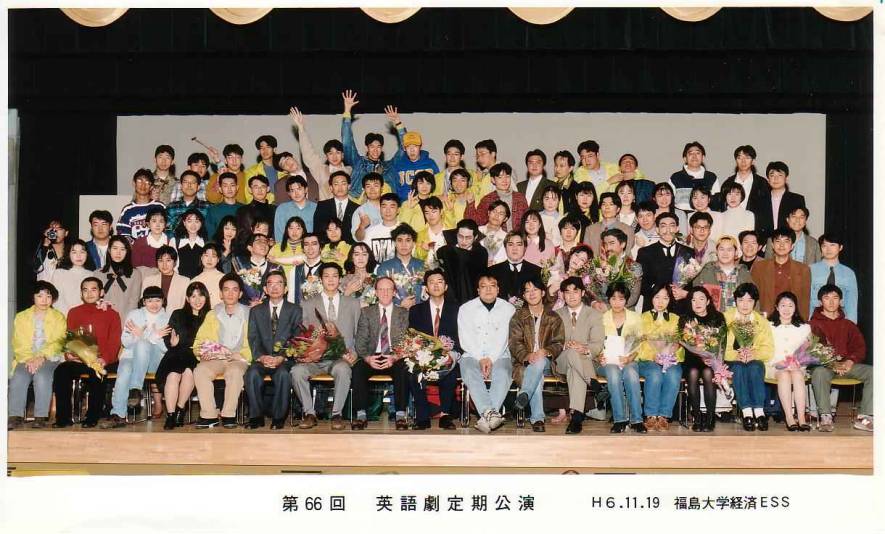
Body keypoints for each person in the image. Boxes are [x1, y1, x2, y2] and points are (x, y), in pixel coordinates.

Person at [292, 262, 360, 429]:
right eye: (326, 276)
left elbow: (359, 333)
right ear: (320, 279)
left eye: (335, 276)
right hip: (315, 359)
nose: (331, 280)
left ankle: (336, 414)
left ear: (340, 279)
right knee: (296, 371)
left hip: (341, 358)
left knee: (343, 370)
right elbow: (302, 334)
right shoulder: (307, 304)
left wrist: (354, 353)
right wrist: (306, 353)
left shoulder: (353, 303)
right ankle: (309, 413)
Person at [51, 277, 122, 428]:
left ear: (101, 292)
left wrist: (104, 359)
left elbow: (115, 342)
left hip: (104, 360)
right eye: (85, 290)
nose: (89, 293)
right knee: (61, 371)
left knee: (97, 372)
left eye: (93, 289)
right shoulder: (74, 312)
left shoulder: (112, 314)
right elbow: (71, 339)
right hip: (81, 359)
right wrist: (69, 354)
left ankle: (92, 416)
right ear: (81, 293)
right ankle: (63, 417)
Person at [101, 286, 171, 428]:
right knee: (124, 371)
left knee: (143, 344)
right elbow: (125, 342)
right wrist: (146, 336)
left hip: (154, 360)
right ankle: (118, 415)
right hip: (131, 356)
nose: (154, 304)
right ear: (143, 301)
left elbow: (166, 347)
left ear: (163, 301)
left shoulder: (168, 318)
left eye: (157, 300)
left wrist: (145, 337)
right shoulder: (134, 314)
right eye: (149, 301)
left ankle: (135, 388)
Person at [241, 271, 301, 429]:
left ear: (285, 288)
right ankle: (256, 416)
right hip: (262, 359)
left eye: (279, 283)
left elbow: (297, 339)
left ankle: (278, 417)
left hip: (284, 360)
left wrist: (282, 357)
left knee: (283, 375)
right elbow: (253, 337)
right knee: (252, 374)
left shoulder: (295, 310)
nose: (274, 287)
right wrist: (261, 357)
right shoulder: (256, 311)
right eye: (270, 284)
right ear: (265, 289)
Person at [809, 284, 873, 432]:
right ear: (820, 302)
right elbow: (812, 351)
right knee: (819, 372)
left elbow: (860, 347)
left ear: (841, 301)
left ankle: (865, 418)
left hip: (847, 365)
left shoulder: (848, 325)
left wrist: (850, 361)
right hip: (825, 367)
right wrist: (831, 364)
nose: (831, 302)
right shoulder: (812, 324)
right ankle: (826, 417)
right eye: (827, 298)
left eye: (835, 298)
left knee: (874, 372)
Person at [458, 275, 517, 433]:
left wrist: (490, 358)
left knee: (503, 372)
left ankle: (486, 418)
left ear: (498, 289)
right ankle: (491, 414)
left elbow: (504, 337)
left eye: (492, 286)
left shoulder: (509, 309)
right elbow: (465, 337)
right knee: (469, 371)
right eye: (484, 286)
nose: (488, 289)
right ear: (478, 290)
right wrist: (481, 358)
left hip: (500, 354)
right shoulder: (466, 309)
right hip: (472, 354)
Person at [191, 274, 252, 428]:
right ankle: (209, 415)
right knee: (200, 371)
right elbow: (199, 341)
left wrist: (243, 355)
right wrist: (202, 352)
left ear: (240, 294)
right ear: (220, 294)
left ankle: (228, 414)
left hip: (239, 357)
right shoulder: (212, 314)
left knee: (234, 372)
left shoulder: (250, 314)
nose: (230, 293)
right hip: (217, 357)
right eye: (226, 290)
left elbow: (257, 342)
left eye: (234, 290)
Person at [404, 269, 462, 430]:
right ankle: (422, 417)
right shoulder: (416, 310)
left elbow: (462, 337)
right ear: (426, 288)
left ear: (446, 286)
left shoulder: (457, 310)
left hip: (449, 355)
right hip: (424, 356)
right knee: (413, 372)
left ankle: (445, 415)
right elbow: (413, 338)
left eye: (440, 282)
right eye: (431, 282)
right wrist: (424, 354)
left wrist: (452, 351)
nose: (436, 285)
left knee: (450, 371)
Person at [352, 276, 410, 430]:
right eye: (381, 289)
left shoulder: (403, 313)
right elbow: (360, 341)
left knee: (404, 369)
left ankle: (400, 415)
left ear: (394, 292)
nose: (385, 292)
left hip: (394, 356)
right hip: (372, 356)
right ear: (376, 292)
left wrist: (395, 357)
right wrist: (367, 358)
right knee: (358, 369)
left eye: (389, 289)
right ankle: (361, 415)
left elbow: (407, 341)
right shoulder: (366, 312)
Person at [7, 281, 66, 430]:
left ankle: (41, 416)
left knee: (42, 375)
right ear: (33, 297)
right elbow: (18, 341)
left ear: (53, 299)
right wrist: (30, 358)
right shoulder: (21, 317)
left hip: (50, 357)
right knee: (19, 376)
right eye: (40, 296)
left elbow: (59, 341)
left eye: (48, 296)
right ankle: (15, 416)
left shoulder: (58, 317)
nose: (44, 300)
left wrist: (42, 356)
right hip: (26, 358)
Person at [510, 278, 565, 433]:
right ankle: (538, 419)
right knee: (536, 374)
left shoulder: (553, 317)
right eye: (527, 291)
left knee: (539, 362)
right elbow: (514, 343)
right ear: (523, 296)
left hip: (547, 362)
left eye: (535, 289)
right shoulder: (518, 317)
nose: (531, 293)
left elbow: (559, 342)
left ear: (542, 292)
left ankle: (524, 394)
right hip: (524, 363)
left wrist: (545, 351)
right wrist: (527, 355)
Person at [154, 281, 210, 429]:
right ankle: (171, 415)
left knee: (189, 373)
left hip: (197, 355)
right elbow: (169, 335)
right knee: (173, 375)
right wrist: (172, 343)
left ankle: (180, 408)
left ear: (206, 297)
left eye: (201, 296)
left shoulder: (211, 316)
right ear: (187, 299)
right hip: (177, 353)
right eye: (193, 296)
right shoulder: (178, 314)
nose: (197, 300)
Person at [552, 277, 604, 434]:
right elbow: (551, 342)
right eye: (567, 292)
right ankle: (594, 384)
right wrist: (564, 345)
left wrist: (584, 348)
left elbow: (597, 344)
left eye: (575, 291)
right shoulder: (556, 315)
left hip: (586, 361)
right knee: (571, 353)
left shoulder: (594, 314)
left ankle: (576, 417)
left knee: (575, 368)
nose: (571, 296)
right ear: (562, 295)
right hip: (561, 360)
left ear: (582, 293)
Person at [594, 283, 645, 433]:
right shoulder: (601, 318)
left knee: (631, 373)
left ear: (626, 300)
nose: (617, 302)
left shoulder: (635, 318)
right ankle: (619, 419)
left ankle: (637, 420)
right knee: (613, 373)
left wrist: (630, 358)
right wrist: (599, 356)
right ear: (608, 300)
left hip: (629, 360)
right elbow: (595, 343)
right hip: (607, 362)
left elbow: (640, 343)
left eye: (621, 299)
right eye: (613, 298)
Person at [724, 283, 774, 432]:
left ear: (755, 302)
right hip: (732, 360)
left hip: (754, 360)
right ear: (735, 301)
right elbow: (719, 347)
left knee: (755, 367)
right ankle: (746, 413)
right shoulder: (725, 318)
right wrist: (736, 355)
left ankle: (759, 412)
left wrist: (754, 354)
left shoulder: (761, 322)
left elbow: (768, 349)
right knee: (738, 368)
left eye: (749, 300)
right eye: (741, 300)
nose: (745, 305)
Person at [340, 90, 406, 197]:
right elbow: (347, 143)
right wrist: (347, 111)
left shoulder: (389, 166)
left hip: (384, 205)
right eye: (372, 146)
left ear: (382, 148)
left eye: (378, 147)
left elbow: (405, 147)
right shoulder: (358, 163)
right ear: (367, 148)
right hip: (360, 204)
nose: (375, 150)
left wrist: (398, 123)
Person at [679, 286, 727, 432]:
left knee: (708, 373)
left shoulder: (718, 318)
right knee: (693, 372)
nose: (697, 303)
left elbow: (721, 344)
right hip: (692, 357)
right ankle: (697, 416)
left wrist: (715, 360)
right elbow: (686, 343)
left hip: (711, 360)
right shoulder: (685, 319)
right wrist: (701, 355)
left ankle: (710, 417)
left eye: (701, 299)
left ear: (708, 301)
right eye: (693, 300)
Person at [637, 285, 684, 431]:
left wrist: (673, 351)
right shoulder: (642, 318)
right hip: (647, 359)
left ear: (670, 300)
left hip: (670, 359)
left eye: (665, 298)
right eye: (657, 297)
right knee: (655, 373)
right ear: (651, 298)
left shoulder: (676, 319)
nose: (660, 302)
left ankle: (664, 415)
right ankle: (651, 415)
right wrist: (653, 356)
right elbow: (637, 344)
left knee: (674, 373)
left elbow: (681, 343)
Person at [766, 291, 813, 431]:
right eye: (783, 305)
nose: (786, 309)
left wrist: (798, 361)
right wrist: (777, 362)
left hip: (796, 366)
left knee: (797, 374)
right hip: (773, 365)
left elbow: (809, 351)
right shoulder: (768, 326)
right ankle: (789, 417)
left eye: (790, 305)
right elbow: (763, 348)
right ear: (776, 307)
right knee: (784, 375)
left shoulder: (804, 328)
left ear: (795, 307)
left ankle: (801, 418)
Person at [288, 106, 352, 201]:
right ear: (326, 156)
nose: (334, 156)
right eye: (330, 153)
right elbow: (308, 153)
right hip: (326, 208)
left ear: (342, 155)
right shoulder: (321, 170)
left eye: (337, 153)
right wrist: (301, 129)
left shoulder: (350, 170)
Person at [635, 212, 692, 312]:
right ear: (657, 230)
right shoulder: (645, 252)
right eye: (663, 226)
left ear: (677, 229)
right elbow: (640, 283)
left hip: (680, 308)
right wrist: (657, 292)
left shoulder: (688, 252)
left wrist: (684, 293)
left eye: (672, 226)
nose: (668, 230)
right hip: (653, 308)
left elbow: (692, 284)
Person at [751, 228, 811, 318]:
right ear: (772, 245)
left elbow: (805, 301)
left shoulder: (803, 269)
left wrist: (802, 321)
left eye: (786, 241)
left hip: (792, 319)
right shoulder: (759, 267)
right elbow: (753, 296)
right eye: (778, 241)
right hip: (765, 319)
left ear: (792, 246)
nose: (781, 245)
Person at [690, 235, 754, 311]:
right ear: (716, 252)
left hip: (736, 317)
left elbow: (753, 298)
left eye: (729, 250)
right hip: (713, 316)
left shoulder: (743, 273)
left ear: (736, 252)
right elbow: (694, 296)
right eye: (721, 249)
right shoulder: (706, 271)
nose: (725, 253)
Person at [94, 235, 144, 326]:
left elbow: (134, 303)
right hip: (103, 322)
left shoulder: (135, 274)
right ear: (109, 250)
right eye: (115, 248)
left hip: (126, 323)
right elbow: (95, 301)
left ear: (127, 252)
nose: (118, 253)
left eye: (122, 249)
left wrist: (127, 324)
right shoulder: (97, 274)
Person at [465, 162, 529, 232]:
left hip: (517, 237)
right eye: (500, 177)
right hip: (495, 236)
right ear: (493, 180)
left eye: (507, 176)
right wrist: (470, 204)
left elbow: (527, 220)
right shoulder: (488, 199)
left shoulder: (520, 197)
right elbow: (477, 221)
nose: (504, 180)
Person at [436, 219, 488, 305]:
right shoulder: (445, 251)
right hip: (449, 299)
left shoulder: (481, 253)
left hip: (474, 300)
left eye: (468, 238)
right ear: (456, 234)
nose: (463, 241)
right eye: (460, 236)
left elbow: (482, 279)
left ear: (475, 237)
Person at [716, 145, 770, 227]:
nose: (743, 161)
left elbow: (766, 210)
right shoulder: (727, 183)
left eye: (747, 158)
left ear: (753, 161)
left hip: (754, 228)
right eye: (739, 158)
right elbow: (722, 208)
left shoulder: (762, 183)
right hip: (730, 226)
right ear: (736, 160)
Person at [809, 233, 858, 322]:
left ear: (840, 247)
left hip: (840, 320)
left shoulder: (849, 273)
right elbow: (807, 300)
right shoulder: (810, 270)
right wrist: (808, 323)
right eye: (824, 246)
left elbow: (852, 304)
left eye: (832, 245)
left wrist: (851, 325)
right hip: (816, 320)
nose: (828, 249)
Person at [376, 223, 426, 308]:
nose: (404, 244)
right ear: (394, 243)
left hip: (420, 312)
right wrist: (399, 303)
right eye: (399, 240)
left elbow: (429, 292)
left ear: (414, 243)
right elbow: (380, 294)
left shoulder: (423, 266)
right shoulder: (384, 267)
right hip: (394, 312)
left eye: (408, 240)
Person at [593, 228, 643, 311]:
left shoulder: (634, 266)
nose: (608, 248)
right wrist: (594, 303)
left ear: (623, 244)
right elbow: (592, 289)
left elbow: (633, 297)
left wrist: (609, 307)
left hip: (625, 313)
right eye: (605, 244)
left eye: (612, 243)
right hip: (599, 312)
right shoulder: (598, 264)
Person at [756, 161, 806, 241]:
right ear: (768, 179)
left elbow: (800, 224)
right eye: (772, 175)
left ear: (786, 178)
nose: (776, 179)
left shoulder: (797, 199)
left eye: (780, 175)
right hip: (766, 243)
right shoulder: (759, 201)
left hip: (789, 242)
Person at [487, 231, 543, 302]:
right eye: (510, 244)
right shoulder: (492, 272)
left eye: (519, 244)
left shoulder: (537, 271)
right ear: (505, 247)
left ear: (525, 248)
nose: (515, 248)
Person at [231, 233, 283, 306]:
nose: (263, 244)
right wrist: (248, 303)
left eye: (265, 242)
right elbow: (234, 292)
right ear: (250, 248)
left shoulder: (276, 268)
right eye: (259, 241)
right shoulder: (240, 267)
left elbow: (282, 291)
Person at [668, 141, 719, 211]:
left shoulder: (711, 177)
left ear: (703, 157)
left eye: (698, 153)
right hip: (681, 216)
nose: (694, 156)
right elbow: (668, 202)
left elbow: (716, 202)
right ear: (685, 158)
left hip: (705, 216)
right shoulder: (675, 177)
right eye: (690, 153)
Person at [118, 169, 166, 242]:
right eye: (140, 181)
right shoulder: (127, 210)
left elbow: (167, 230)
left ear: (151, 187)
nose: (143, 185)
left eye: (147, 182)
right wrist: (137, 246)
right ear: (134, 183)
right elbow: (123, 234)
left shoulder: (160, 206)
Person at [391, 130, 440, 202]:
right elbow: (395, 188)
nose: (412, 150)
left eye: (415, 146)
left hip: (427, 205)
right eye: (408, 146)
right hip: (405, 205)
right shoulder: (398, 165)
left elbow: (438, 186)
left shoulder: (430, 163)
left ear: (420, 147)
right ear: (404, 148)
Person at [50, 239, 95, 314]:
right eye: (74, 252)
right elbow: (57, 300)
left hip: (86, 316)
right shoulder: (59, 273)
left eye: (82, 252)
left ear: (87, 254)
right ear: (68, 254)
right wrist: (71, 316)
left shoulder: (92, 274)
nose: (78, 256)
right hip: (63, 316)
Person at [313, 171, 360, 244]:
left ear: (349, 186)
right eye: (336, 184)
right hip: (327, 247)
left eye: (343, 184)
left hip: (350, 247)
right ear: (331, 188)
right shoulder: (322, 206)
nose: (340, 187)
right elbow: (317, 231)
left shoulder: (357, 208)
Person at [142, 245, 190, 313]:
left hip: (175, 319)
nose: (164, 265)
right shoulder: (148, 281)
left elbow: (186, 307)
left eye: (168, 260)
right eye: (160, 261)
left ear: (175, 262)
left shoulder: (185, 281)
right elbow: (143, 305)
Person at [165, 170, 209, 237]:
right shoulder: (171, 207)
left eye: (193, 182)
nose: (189, 185)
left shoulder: (207, 207)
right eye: (186, 182)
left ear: (198, 187)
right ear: (181, 186)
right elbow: (167, 230)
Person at [236, 175, 277, 244]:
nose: (260, 190)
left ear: (268, 189)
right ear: (250, 190)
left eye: (263, 186)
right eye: (256, 187)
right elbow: (242, 236)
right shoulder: (243, 211)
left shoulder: (275, 209)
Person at [274, 175, 317, 242]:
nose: (296, 193)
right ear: (289, 193)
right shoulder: (282, 209)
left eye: (299, 189)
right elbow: (279, 235)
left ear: (306, 189)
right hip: (289, 247)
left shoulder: (316, 208)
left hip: (310, 246)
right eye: (292, 191)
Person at [362, 192, 401, 263]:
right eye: (384, 206)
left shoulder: (405, 231)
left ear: (398, 210)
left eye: (392, 207)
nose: (388, 211)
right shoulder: (369, 232)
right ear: (380, 209)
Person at [169, 208, 207, 278]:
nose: (193, 225)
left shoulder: (205, 242)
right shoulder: (175, 241)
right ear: (184, 223)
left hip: (200, 280)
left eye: (197, 221)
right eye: (189, 221)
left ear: (201, 223)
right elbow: (173, 266)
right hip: (180, 280)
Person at [287, 233, 324, 304]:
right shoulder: (295, 270)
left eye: (314, 244)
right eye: (306, 244)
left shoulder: (327, 269)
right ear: (303, 249)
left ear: (320, 248)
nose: (310, 248)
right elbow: (291, 297)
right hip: (298, 310)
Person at [398, 171, 439, 235]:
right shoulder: (406, 204)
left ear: (432, 186)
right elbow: (402, 226)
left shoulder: (436, 202)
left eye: (428, 183)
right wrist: (409, 208)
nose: (424, 187)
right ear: (416, 185)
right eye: (421, 183)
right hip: (414, 238)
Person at [243, 134, 281, 202]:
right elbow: (249, 195)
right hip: (262, 207)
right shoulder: (252, 171)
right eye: (262, 148)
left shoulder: (283, 169)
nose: (265, 150)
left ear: (274, 149)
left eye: (268, 147)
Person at [719, 182, 756, 250]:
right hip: (725, 252)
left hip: (743, 252)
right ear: (725, 197)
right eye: (729, 194)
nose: (733, 198)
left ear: (741, 197)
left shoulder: (749, 215)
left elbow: (748, 239)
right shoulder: (721, 216)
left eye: (737, 194)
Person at [205, 172, 244, 237]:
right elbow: (210, 235)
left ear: (237, 188)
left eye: (232, 185)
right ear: (220, 189)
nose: (229, 189)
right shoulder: (213, 210)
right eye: (225, 186)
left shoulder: (244, 209)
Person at [130, 206, 169, 271]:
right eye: (154, 221)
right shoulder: (139, 243)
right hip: (144, 276)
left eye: (161, 221)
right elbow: (136, 268)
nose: (158, 225)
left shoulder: (171, 242)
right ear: (148, 224)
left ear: (165, 224)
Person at [413, 196, 449, 265]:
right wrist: (423, 250)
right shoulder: (420, 235)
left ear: (441, 212)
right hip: (427, 270)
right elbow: (416, 259)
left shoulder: (451, 232)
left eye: (434, 211)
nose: (430, 215)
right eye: (427, 213)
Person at [351, 172, 384, 241]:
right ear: (364, 189)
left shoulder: (390, 207)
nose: (372, 189)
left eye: (376, 186)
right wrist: (362, 226)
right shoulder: (360, 211)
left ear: (382, 188)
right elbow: (357, 238)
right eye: (368, 186)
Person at [192, 243, 225, 308]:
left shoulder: (224, 278)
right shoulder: (194, 281)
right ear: (201, 258)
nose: (209, 259)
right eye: (206, 255)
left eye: (213, 256)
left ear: (218, 259)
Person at [477, 200, 510, 265]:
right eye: (494, 211)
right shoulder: (477, 231)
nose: (496, 215)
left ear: (505, 218)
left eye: (501, 213)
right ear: (489, 213)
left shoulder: (507, 237)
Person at [553, 150, 580, 215]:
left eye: (561, 166)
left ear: (570, 168)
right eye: (556, 165)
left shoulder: (575, 187)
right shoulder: (551, 185)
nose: (557, 169)